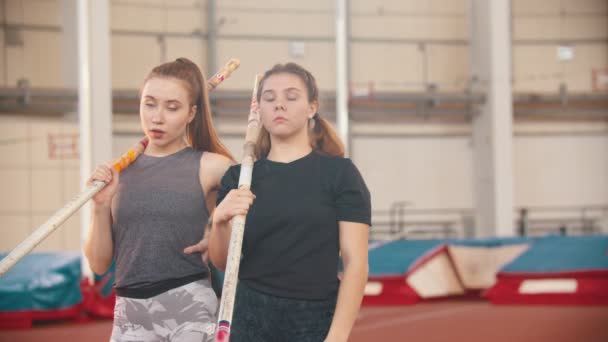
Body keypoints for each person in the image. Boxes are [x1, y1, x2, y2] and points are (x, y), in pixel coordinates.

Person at [208, 62, 371, 342]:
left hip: (312, 318)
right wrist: (220, 219)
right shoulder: (239, 178)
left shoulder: (340, 174)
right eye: (269, 98)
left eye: (291, 97)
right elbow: (223, 261)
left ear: (312, 107)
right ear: (258, 108)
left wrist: (337, 336)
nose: (279, 105)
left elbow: (355, 262)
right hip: (249, 315)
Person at [84, 58, 233, 342]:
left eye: (172, 107)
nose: (157, 117)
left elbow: (256, 206)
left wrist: (217, 228)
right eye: (149, 104)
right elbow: (99, 264)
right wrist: (100, 206)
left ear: (191, 114)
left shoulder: (212, 167)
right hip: (129, 312)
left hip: (189, 305)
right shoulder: (118, 175)